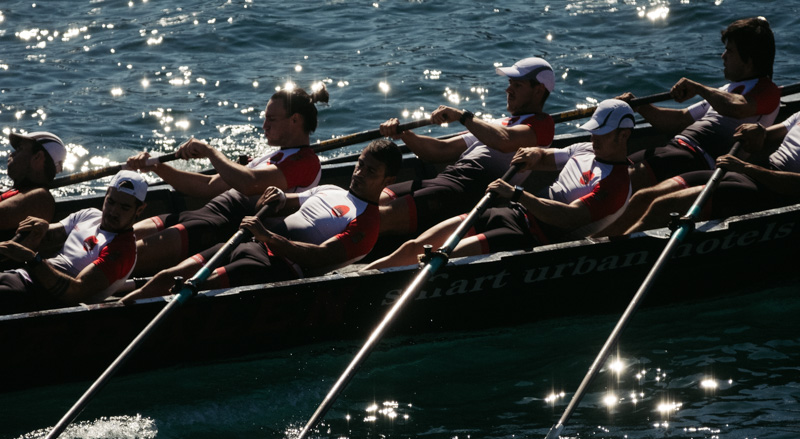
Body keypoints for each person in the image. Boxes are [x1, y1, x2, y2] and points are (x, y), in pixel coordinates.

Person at [365, 99, 634, 270]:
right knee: (415, 248)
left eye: (602, 131)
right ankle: (365, 275)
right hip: (510, 213)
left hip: (531, 236)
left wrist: (518, 194)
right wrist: (532, 155)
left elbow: (568, 217)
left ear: (623, 135)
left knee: (440, 259)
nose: (594, 136)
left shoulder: (616, 184)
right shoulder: (584, 149)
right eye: (593, 128)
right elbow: (543, 157)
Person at [121, 140, 401, 302]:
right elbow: (286, 201)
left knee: (189, 289)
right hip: (249, 241)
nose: (360, 172)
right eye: (360, 163)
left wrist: (269, 238)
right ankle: (118, 309)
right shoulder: (332, 190)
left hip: (273, 267)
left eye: (371, 170)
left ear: (389, 180)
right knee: (168, 277)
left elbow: (320, 257)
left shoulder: (367, 223)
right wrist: (278, 195)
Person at [600, 17, 781, 236]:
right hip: (675, 147)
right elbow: (679, 119)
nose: (723, 56)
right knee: (610, 175)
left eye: (730, 51)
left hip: (697, 158)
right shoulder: (725, 89)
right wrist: (640, 107)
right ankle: (584, 230)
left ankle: (594, 243)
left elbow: (736, 108)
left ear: (749, 61)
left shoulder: (767, 91)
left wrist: (699, 88)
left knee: (629, 187)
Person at [127, 85, 329, 275]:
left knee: (124, 257)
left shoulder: (305, 162)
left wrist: (210, 152)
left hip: (218, 228)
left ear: (295, 120)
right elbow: (207, 186)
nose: (264, 125)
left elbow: (249, 184)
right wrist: (158, 168)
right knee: (121, 238)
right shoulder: (266, 158)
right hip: (200, 215)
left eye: (271, 119)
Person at [377, 57, 556, 237]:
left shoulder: (542, 123)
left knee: (377, 218)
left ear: (538, 91)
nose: (508, 89)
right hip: (445, 179)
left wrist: (462, 116)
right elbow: (439, 150)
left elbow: (504, 141)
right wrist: (404, 134)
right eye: (510, 84)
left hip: (467, 190)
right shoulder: (495, 125)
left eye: (517, 85)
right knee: (371, 201)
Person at [605, 113, 800, 234]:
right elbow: (763, 138)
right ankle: (594, 244)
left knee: (663, 206)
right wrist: (756, 132)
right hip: (750, 173)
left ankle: (608, 261)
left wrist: (746, 167)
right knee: (643, 197)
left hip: (775, 192)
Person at [0, 170, 147, 313]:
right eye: (111, 201)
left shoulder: (122, 250)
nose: (113, 211)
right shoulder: (89, 215)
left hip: (39, 298)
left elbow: (75, 292)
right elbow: (48, 233)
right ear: (106, 195)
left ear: (139, 210)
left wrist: (33, 259)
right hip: (20, 276)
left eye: (124, 207)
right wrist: (41, 228)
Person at [1, 131, 66, 240]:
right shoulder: (18, 192)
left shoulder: (41, 198)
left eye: (20, 149)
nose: (12, 154)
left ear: (37, 158)